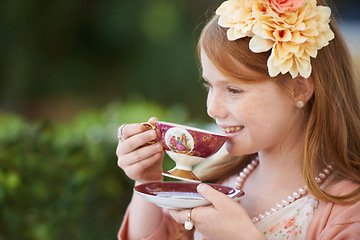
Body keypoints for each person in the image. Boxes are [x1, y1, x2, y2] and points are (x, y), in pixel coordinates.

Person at [116, 0, 360, 239]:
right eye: (209, 86)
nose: (212, 109)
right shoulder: (211, 183)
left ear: (299, 89)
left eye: (234, 90)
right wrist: (148, 181)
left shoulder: (348, 211)